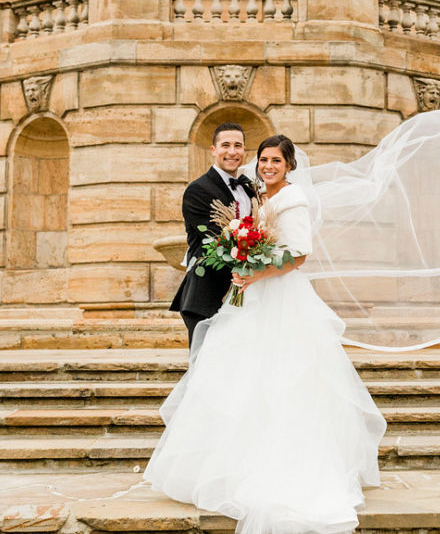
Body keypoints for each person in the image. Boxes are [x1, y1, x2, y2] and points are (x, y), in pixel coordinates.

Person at [145, 134, 387, 534]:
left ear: (290, 165)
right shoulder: (259, 197)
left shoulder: (292, 200)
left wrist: (253, 272)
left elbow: (298, 255)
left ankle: (285, 468)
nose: (267, 165)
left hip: (279, 299)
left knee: (283, 380)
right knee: (239, 379)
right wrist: (246, 266)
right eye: (263, 159)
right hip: (251, 295)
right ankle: (232, 464)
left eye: (275, 160)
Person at [170, 122, 256, 346]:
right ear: (213, 150)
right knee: (205, 371)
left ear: (244, 150)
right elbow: (216, 240)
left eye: (238, 146)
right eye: (225, 145)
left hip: (247, 294)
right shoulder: (198, 190)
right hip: (207, 295)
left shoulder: (249, 188)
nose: (232, 151)